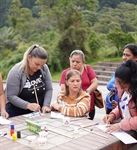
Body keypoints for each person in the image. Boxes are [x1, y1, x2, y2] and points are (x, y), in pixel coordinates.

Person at [5, 44, 53, 117]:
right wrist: (27, 105)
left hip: (36, 113)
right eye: (37, 64)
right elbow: (11, 96)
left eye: (42, 65)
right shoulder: (16, 72)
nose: (39, 68)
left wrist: (46, 105)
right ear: (29, 58)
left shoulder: (44, 68)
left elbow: (49, 89)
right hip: (16, 113)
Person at [60, 50, 98, 119]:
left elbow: (95, 82)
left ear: (83, 62)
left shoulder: (87, 69)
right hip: (71, 105)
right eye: (73, 61)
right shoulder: (65, 73)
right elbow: (63, 89)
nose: (74, 64)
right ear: (70, 60)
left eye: (78, 62)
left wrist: (86, 93)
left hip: (88, 104)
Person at [103, 60, 137, 132]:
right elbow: (124, 106)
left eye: (123, 86)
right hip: (131, 132)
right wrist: (113, 115)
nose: (117, 85)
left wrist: (121, 125)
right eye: (117, 82)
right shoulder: (123, 91)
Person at [105, 44, 137, 114]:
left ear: (135, 57)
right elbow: (109, 85)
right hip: (117, 109)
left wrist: (120, 125)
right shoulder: (121, 70)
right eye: (124, 54)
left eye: (127, 55)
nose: (124, 58)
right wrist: (115, 113)